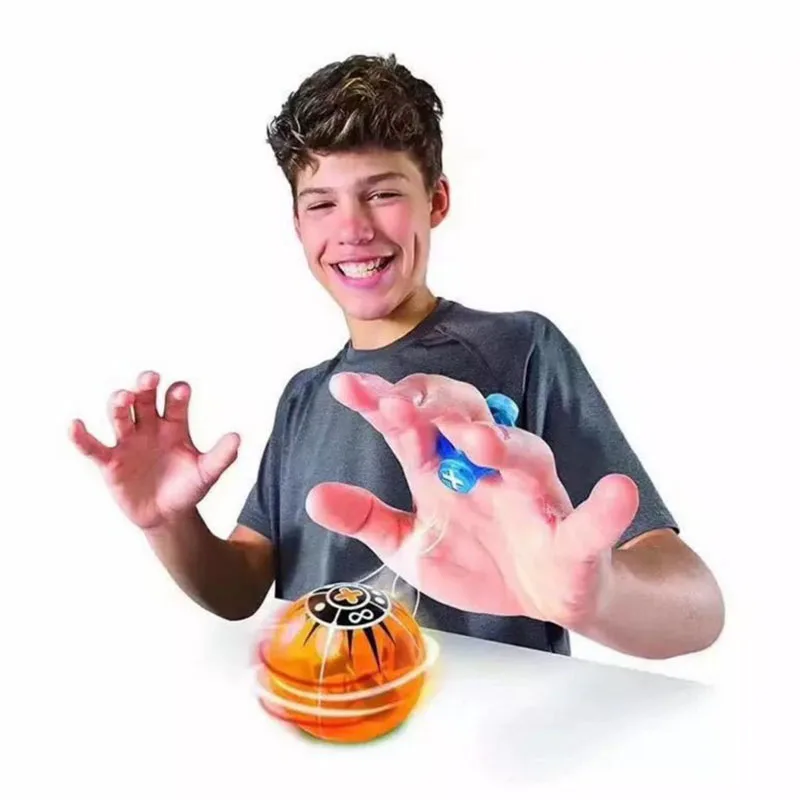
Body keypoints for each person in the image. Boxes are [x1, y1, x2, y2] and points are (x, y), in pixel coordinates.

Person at [69, 53, 724, 659]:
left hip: (485, 741)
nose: (352, 229)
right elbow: (240, 587)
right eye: (321, 203)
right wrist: (170, 523)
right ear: (298, 225)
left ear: (436, 200)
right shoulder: (304, 394)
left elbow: (696, 604)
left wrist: (596, 598)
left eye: (382, 194)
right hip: (322, 726)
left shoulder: (519, 349)